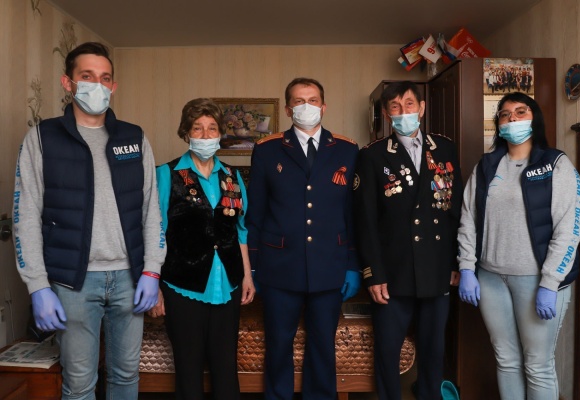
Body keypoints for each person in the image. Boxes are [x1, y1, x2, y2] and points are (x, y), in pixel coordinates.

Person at [12, 42, 166, 398]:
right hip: (72, 283)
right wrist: (37, 286)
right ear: (68, 83)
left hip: (130, 278)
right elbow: (26, 215)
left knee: (126, 376)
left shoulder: (134, 138)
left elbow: (151, 209)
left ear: (114, 86)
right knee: (80, 382)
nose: (97, 85)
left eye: (105, 78)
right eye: (87, 76)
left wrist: (152, 270)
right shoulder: (43, 138)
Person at [457, 92, 580, 400]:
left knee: (538, 365)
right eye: (505, 114)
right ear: (498, 124)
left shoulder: (556, 164)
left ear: (534, 118)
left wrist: (550, 283)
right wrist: (467, 268)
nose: (512, 118)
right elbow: (468, 218)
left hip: (537, 280)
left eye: (520, 111)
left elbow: (570, 228)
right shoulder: (486, 166)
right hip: (490, 279)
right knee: (507, 360)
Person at [246, 77, 361, 399]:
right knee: (278, 344)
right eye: (298, 101)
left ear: (324, 107)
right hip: (278, 266)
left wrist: (353, 264)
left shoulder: (347, 149)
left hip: (330, 265)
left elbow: (353, 214)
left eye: (312, 100)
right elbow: (255, 214)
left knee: (323, 345)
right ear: (287, 109)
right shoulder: (267, 149)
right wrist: (252, 267)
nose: (306, 106)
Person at [353, 81, 463, 400]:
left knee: (434, 347)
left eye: (410, 104)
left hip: (436, 265)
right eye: (396, 107)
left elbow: (454, 210)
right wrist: (373, 273)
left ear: (422, 108)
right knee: (388, 350)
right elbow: (365, 221)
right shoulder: (373, 155)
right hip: (393, 270)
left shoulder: (445, 148)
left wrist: (456, 261)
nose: (404, 112)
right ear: (387, 114)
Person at [148, 98, 255, 399]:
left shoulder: (233, 177)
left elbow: (240, 230)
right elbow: (155, 232)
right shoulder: (166, 174)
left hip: (228, 283)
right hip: (183, 285)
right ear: (186, 133)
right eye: (198, 128)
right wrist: (153, 286)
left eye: (212, 128)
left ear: (220, 134)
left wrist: (247, 276)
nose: (205, 135)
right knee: (188, 370)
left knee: (226, 368)